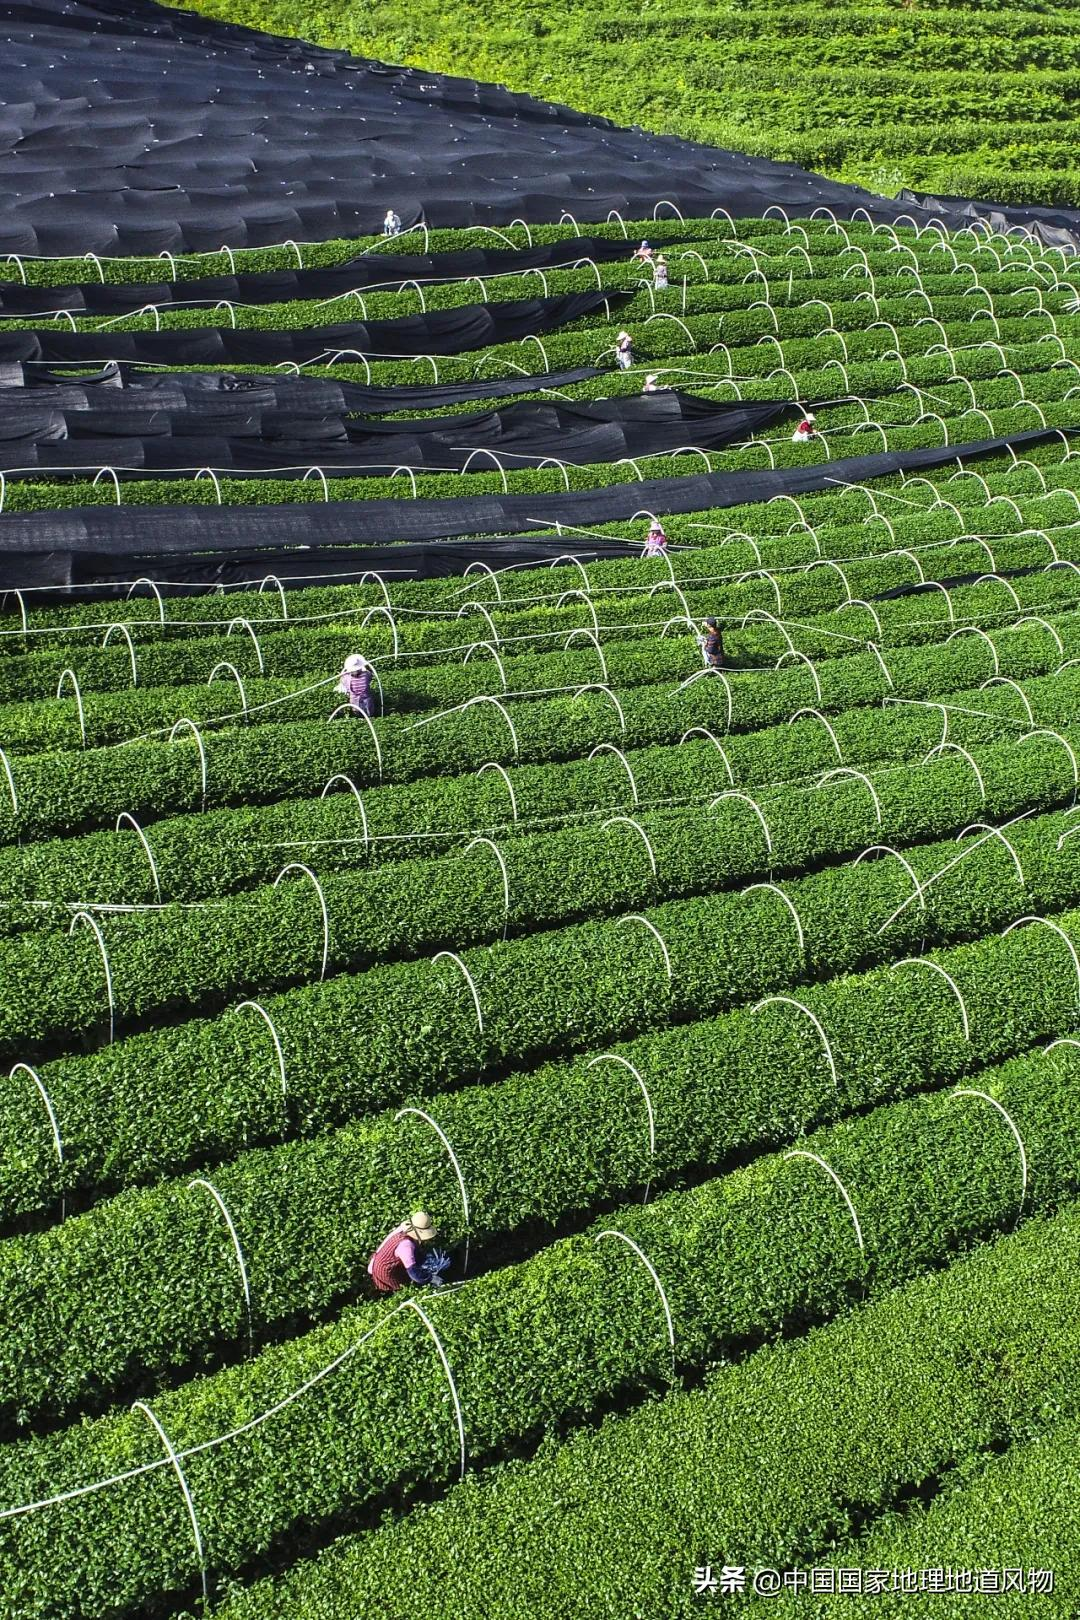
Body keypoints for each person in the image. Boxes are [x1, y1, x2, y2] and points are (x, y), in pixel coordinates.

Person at [368, 1212, 446, 1293]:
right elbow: (414, 1274)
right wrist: (431, 1279)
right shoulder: (406, 1246)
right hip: (385, 1271)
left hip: (387, 1261)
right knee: (404, 1286)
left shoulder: (404, 1229)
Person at [337, 653, 373, 717]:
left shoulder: (365, 675)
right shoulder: (347, 677)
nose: (355, 672)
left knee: (368, 714)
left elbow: (370, 675)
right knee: (357, 714)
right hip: (354, 701)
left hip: (366, 700)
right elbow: (342, 681)